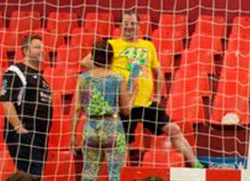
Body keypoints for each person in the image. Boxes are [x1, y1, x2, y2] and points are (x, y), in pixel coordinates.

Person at [85, 9, 202, 168]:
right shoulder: (112, 44)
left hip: (146, 103)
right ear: (120, 25)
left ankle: (196, 165)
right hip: (123, 103)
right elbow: (85, 62)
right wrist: (111, 74)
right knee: (120, 143)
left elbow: (158, 71)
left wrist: (159, 94)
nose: (130, 27)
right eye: (126, 24)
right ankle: (115, 177)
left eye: (133, 23)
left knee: (173, 129)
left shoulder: (148, 45)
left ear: (139, 25)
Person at [73, 40, 129, 181]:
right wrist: (133, 93)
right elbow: (126, 110)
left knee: (88, 176)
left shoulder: (83, 78)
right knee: (116, 177)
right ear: (111, 58)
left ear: (92, 57)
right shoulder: (118, 78)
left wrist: (73, 134)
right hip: (112, 128)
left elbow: (77, 108)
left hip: (90, 128)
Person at [0, 34, 53, 178]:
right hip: (25, 134)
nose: (42, 50)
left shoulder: (43, 80)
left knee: (34, 177)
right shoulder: (16, 71)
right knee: (31, 177)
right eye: (37, 47)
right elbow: (5, 99)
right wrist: (18, 127)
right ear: (26, 51)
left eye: (43, 47)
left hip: (40, 136)